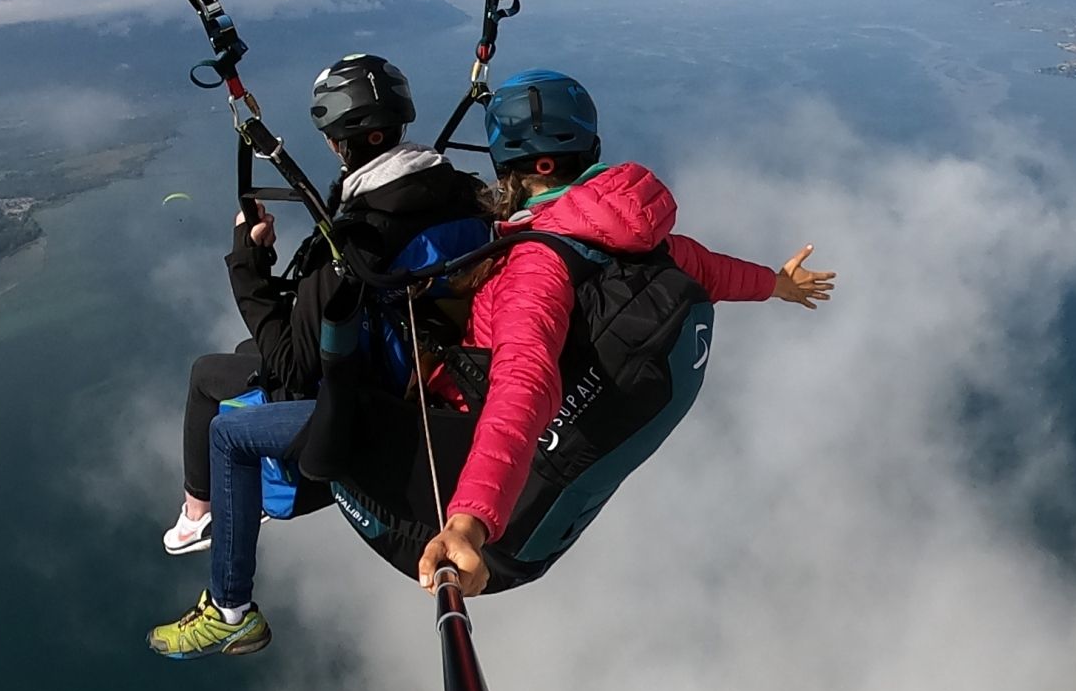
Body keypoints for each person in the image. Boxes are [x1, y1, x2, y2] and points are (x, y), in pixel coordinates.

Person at [302, 67, 836, 598]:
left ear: (506, 164)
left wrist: (469, 522)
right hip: (547, 517)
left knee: (311, 442)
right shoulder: (642, 240)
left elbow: (523, 385)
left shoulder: (538, 263)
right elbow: (711, 270)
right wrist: (776, 284)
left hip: (487, 545)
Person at [148, 54, 485, 658]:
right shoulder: (462, 195)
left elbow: (290, 365)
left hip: (371, 399)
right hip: (433, 367)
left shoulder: (355, 244)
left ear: (336, 143)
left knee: (218, 402)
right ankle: (202, 516)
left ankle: (229, 603)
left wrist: (247, 261)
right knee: (239, 358)